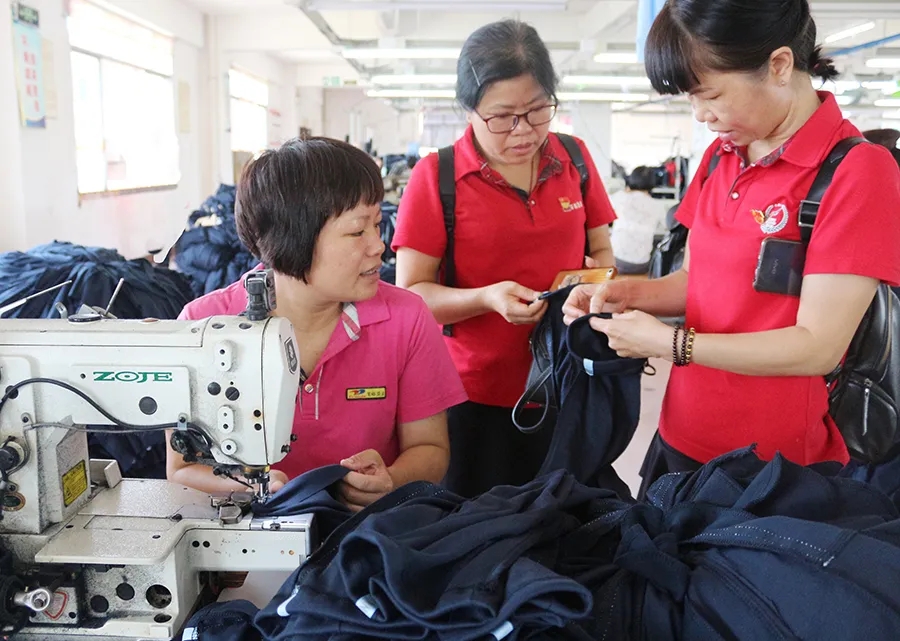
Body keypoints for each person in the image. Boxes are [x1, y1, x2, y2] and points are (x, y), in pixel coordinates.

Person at [563, 0, 900, 498]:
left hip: (777, 463)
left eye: (711, 94)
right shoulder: (721, 157)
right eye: (691, 98)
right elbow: (693, 283)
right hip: (681, 435)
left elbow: (818, 345)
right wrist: (622, 295)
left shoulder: (857, 171)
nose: (702, 115)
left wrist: (671, 345)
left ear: (779, 65)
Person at [167, 137, 467, 511]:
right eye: (358, 231)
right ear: (294, 238)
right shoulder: (203, 327)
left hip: (366, 529)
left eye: (377, 225)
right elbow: (182, 468)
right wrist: (249, 488)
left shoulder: (406, 319)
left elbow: (430, 449)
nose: (379, 246)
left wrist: (390, 479)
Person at [393, 19, 618, 498]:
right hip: (473, 394)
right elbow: (412, 296)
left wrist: (594, 286)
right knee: (478, 518)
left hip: (568, 379)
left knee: (560, 514)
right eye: (503, 117)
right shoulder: (437, 177)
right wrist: (486, 299)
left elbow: (601, 250)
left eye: (537, 111)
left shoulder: (574, 158)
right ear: (469, 109)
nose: (524, 131)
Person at [609, 166, 670, 274]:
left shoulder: (619, 197)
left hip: (616, 262)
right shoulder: (657, 206)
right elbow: (667, 227)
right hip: (641, 266)